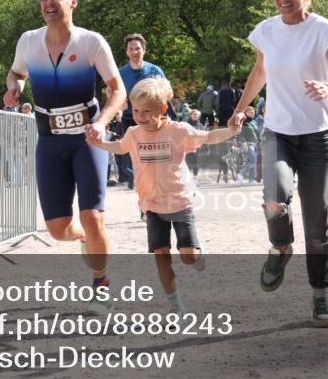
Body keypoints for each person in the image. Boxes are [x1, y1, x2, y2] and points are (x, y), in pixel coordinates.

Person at [228, 0, 328, 328]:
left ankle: (320, 296)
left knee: (317, 222)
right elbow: (260, 71)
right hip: (277, 131)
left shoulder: (322, 29)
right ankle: (280, 247)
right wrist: (239, 109)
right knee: (273, 198)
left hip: (317, 135)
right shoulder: (266, 30)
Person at [3, 0, 126, 314]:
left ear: (74, 2)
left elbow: (118, 90)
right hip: (49, 140)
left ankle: (100, 282)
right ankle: (82, 238)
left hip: (88, 139)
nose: (48, 3)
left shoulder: (91, 42)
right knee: (58, 230)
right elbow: (15, 74)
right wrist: (13, 87)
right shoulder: (29, 41)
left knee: (93, 216)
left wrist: (102, 123)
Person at [90, 78, 238, 312]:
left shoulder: (178, 131)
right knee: (161, 255)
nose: (140, 116)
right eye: (136, 110)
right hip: (151, 205)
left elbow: (208, 137)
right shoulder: (133, 133)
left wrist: (231, 131)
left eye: (146, 111)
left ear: (162, 109)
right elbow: (120, 147)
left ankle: (197, 256)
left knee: (188, 257)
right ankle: (175, 306)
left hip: (179, 203)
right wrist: (100, 144)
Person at [118, 33, 170, 192]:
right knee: (136, 162)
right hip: (130, 120)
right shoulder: (120, 73)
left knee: (156, 161)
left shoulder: (154, 70)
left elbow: (168, 93)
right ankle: (144, 198)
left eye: (138, 48)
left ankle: (159, 193)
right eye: (131, 49)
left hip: (154, 121)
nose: (135, 51)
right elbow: (112, 93)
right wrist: (120, 107)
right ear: (127, 52)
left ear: (144, 50)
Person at [236, 106, 261, 184]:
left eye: (253, 111)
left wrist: (260, 141)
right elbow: (240, 134)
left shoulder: (254, 122)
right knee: (253, 160)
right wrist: (243, 143)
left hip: (255, 144)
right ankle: (241, 174)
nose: (252, 113)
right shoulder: (243, 122)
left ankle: (252, 179)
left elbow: (257, 133)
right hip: (247, 144)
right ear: (246, 112)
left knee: (252, 161)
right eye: (250, 111)